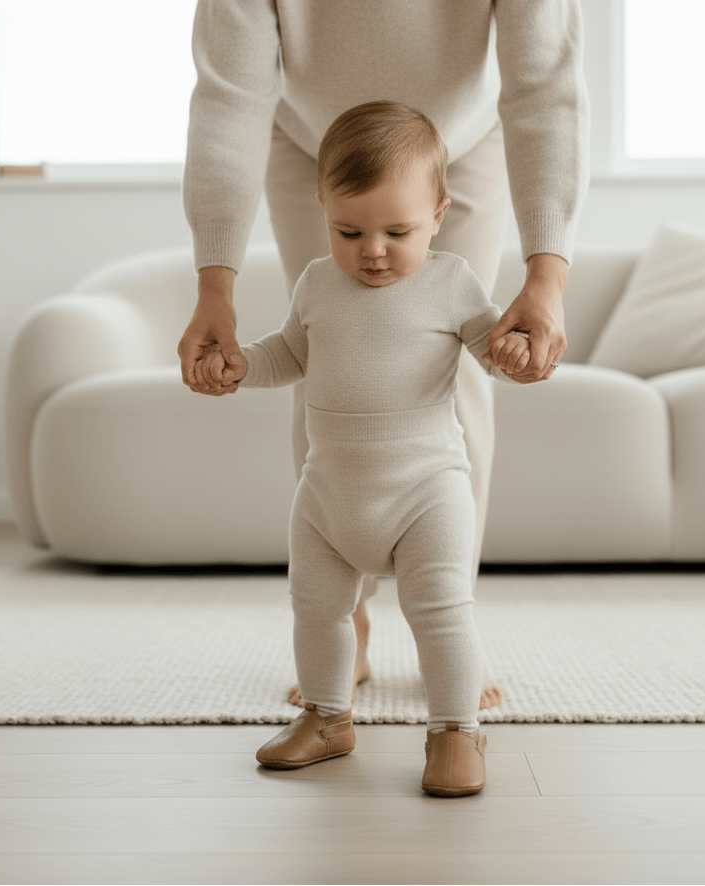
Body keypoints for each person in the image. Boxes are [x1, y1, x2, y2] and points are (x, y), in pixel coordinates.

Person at [178, 1, 589, 711]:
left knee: (456, 371)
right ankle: (346, 618)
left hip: (464, 139)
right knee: (327, 356)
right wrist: (215, 282)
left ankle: (446, 617)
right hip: (311, 142)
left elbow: (545, 80)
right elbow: (231, 93)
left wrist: (547, 276)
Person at [196, 101, 534, 795]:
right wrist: (241, 366)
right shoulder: (318, 282)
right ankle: (327, 718)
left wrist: (515, 349)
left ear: (439, 214)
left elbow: (489, 350)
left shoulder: (451, 283)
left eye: (397, 231)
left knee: (441, 610)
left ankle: (455, 729)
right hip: (328, 494)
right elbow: (289, 353)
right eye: (348, 229)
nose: (372, 249)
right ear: (322, 207)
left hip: (426, 490)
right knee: (315, 604)